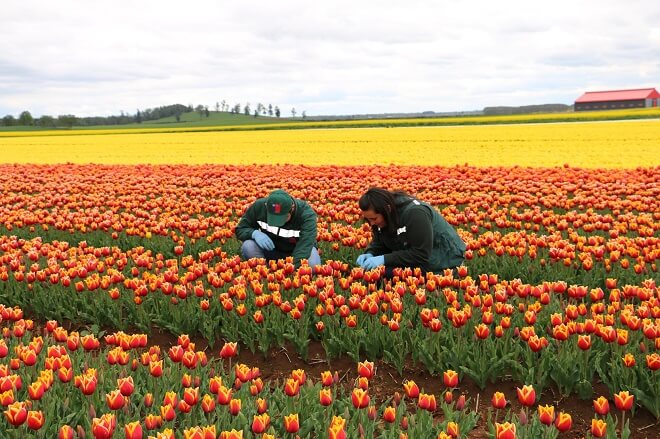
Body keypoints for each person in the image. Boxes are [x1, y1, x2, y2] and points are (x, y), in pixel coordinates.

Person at [355, 187, 465, 275]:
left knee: (386, 274)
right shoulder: (385, 216)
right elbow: (380, 241)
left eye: (374, 219)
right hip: (417, 258)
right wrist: (370, 253)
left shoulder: (415, 213)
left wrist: (384, 259)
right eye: (368, 219)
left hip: (444, 259)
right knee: (375, 273)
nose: (372, 223)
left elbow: (421, 254)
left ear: (387, 209)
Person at [236, 189, 321, 268]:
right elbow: (241, 229)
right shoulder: (259, 207)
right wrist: (254, 233)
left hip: (296, 250)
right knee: (248, 246)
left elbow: (305, 245)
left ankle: (280, 272)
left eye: (282, 218)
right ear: (266, 207)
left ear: (292, 208)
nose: (277, 224)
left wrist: (292, 269)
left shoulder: (306, 214)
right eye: (273, 218)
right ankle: (265, 271)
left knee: (312, 265)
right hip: (270, 250)